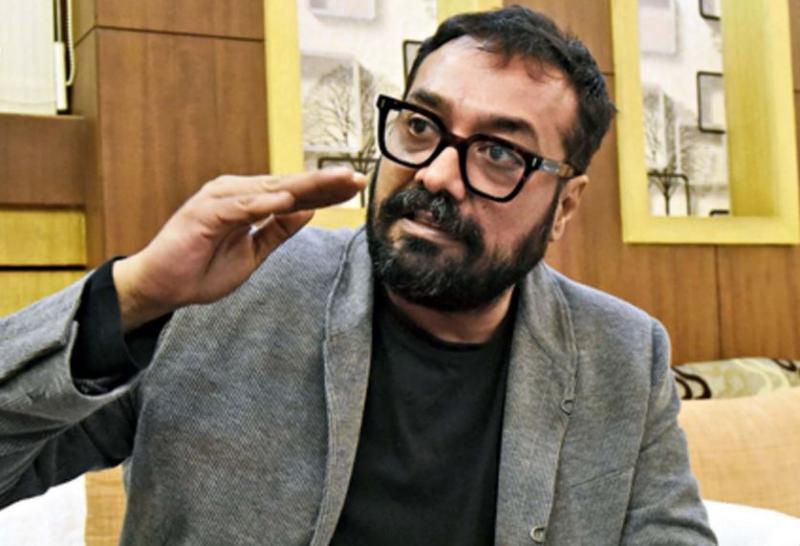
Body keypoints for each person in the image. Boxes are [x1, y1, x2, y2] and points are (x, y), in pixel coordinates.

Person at [0, 6, 715, 545]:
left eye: (499, 153)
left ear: (565, 206)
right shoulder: (226, 295)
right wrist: (134, 298)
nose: (436, 174)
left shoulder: (622, 353)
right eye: (420, 126)